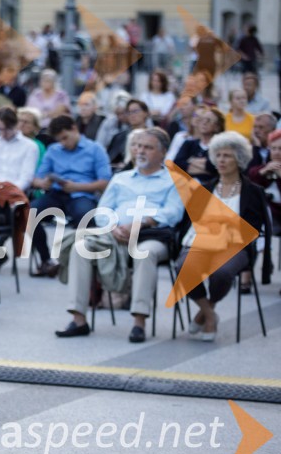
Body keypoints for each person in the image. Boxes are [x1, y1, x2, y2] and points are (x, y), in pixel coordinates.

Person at [55, 128, 184, 342]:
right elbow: (103, 210)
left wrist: (141, 223)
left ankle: (139, 322)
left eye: (148, 147)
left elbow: (172, 212)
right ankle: (78, 319)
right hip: (115, 233)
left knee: (144, 253)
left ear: (163, 153)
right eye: (138, 146)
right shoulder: (121, 178)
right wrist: (114, 227)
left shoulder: (174, 181)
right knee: (81, 248)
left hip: (151, 236)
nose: (141, 151)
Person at [175, 132, 272, 342]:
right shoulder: (205, 189)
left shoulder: (253, 191)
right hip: (203, 242)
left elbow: (254, 228)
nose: (221, 160)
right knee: (183, 267)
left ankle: (205, 313)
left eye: (227, 155)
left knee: (221, 273)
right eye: (218, 155)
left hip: (235, 246)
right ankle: (210, 314)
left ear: (239, 159)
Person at [29, 116, 112, 277]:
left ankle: (83, 262)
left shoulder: (95, 149)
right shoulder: (54, 150)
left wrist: (77, 187)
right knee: (29, 214)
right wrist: (42, 183)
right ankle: (46, 260)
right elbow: (37, 178)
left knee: (86, 216)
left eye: (65, 138)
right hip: (56, 193)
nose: (63, 143)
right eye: (60, 140)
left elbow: (105, 182)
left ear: (74, 129)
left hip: (83, 193)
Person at [248, 129, 281, 293]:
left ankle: (266, 254)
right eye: (274, 148)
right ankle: (246, 273)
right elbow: (248, 187)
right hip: (264, 220)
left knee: (259, 216)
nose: (276, 152)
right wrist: (263, 174)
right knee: (249, 220)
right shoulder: (260, 169)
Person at [173, 107, 225, 183]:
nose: (204, 122)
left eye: (209, 120)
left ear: (217, 127)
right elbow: (177, 165)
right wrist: (207, 167)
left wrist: (191, 161)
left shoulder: (220, 148)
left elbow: (216, 169)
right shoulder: (189, 144)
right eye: (202, 119)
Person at [108, 99, 150, 170]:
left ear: (145, 113)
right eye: (129, 112)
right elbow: (110, 160)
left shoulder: (153, 136)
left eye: (135, 111)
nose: (132, 115)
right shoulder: (119, 137)